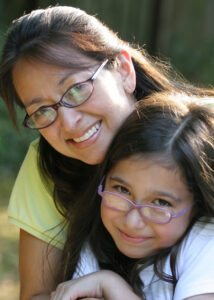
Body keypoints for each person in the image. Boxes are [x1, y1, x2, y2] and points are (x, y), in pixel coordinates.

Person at [0, 5, 214, 300]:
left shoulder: (203, 139)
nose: (69, 123)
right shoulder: (47, 166)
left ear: (124, 70)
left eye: (76, 90)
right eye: (42, 111)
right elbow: (37, 294)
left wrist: (110, 288)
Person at [51, 92, 214, 300]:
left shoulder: (206, 242)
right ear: (103, 178)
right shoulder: (95, 244)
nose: (132, 221)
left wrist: (110, 285)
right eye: (121, 190)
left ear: (197, 204)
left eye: (161, 203)